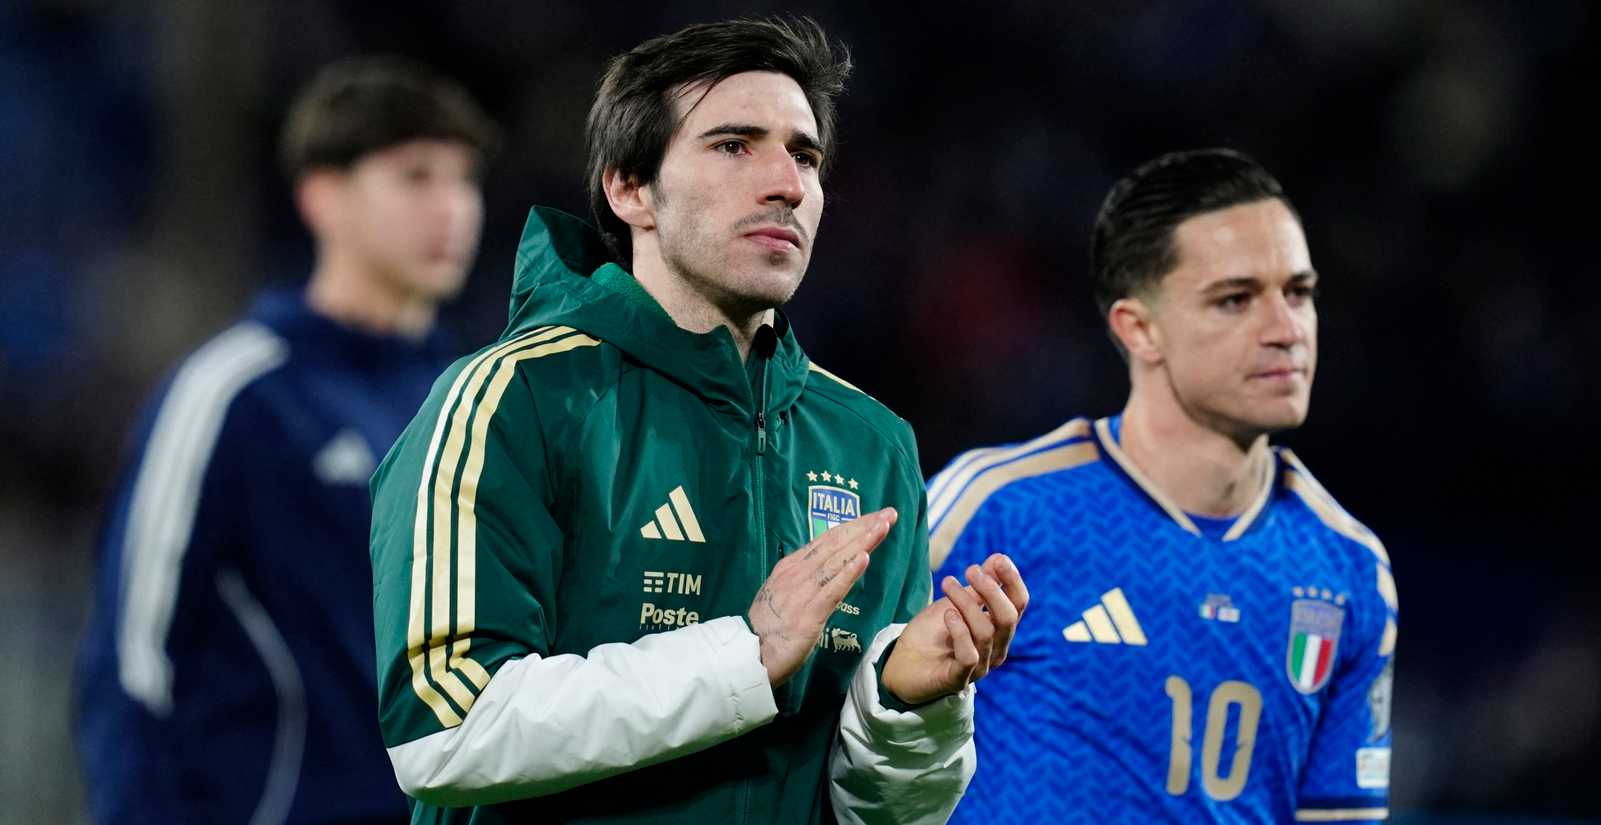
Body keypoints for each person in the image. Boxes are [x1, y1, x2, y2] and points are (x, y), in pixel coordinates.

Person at [367, 16, 1026, 825]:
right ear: (630, 189)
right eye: (733, 145)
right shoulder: (513, 398)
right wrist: (744, 656)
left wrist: (904, 708)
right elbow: (445, 730)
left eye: (805, 154)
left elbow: (882, 815)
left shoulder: (871, 441)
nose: (786, 181)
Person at [74, 57, 497, 824]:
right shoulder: (235, 393)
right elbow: (133, 661)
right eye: (415, 176)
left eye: (463, 179)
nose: (453, 209)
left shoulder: (475, 405)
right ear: (324, 198)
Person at [928, 149, 1398, 823]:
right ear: (1139, 328)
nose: (1286, 328)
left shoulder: (1349, 567)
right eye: (1236, 299)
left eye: (1298, 292)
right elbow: (847, 732)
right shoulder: (997, 509)